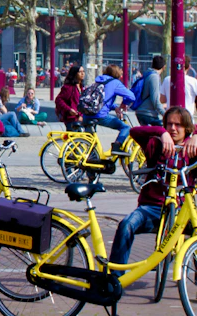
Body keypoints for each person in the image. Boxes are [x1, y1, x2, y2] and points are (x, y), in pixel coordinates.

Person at [108, 107, 197, 274]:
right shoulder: (155, 144)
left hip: (182, 210)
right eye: (169, 124)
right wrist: (162, 133)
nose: (173, 128)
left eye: (178, 125)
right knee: (126, 225)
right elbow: (135, 131)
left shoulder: (192, 150)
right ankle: (115, 278)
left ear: (187, 128)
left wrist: (196, 136)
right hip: (152, 207)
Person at [83, 64, 135, 150]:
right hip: (100, 115)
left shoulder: (98, 81)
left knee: (90, 141)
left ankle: (92, 156)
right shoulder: (115, 83)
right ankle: (117, 146)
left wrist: (115, 107)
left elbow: (101, 101)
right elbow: (132, 97)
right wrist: (124, 103)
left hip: (87, 114)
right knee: (125, 127)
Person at [135, 56, 167, 126]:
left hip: (141, 111)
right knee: (161, 132)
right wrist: (165, 115)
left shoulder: (147, 74)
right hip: (148, 113)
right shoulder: (154, 77)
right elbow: (155, 99)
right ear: (164, 67)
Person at [55, 66, 85, 131]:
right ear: (75, 73)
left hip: (80, 118)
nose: (82, 74)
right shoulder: (69, 87)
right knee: (74, 139)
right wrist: (69, 109)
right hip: (71, 119)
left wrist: (81, 115)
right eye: (80, 72)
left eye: (83, 71)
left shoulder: (82, 87)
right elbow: (59, 100)